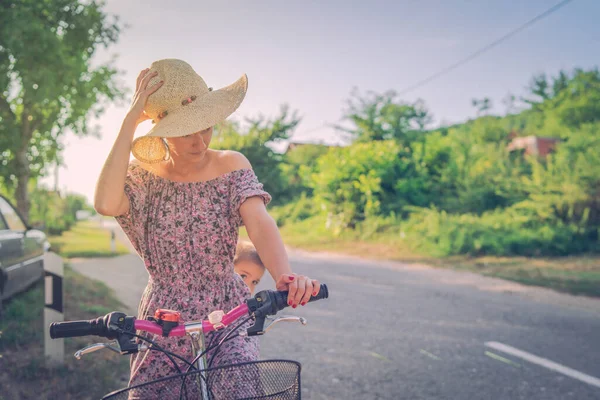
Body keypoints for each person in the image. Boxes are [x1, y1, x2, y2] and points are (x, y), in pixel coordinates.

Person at [94, 59, 321, 392]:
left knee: (239, 387)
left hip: (226, 305)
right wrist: (131, 120)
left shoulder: (231, 164)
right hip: (163, 313)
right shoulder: (142, 177)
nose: (199, 140)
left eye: (205, 126)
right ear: (162, 129)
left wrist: (284, 276)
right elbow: (105, 203)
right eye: (186, 131)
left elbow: (259, 223)